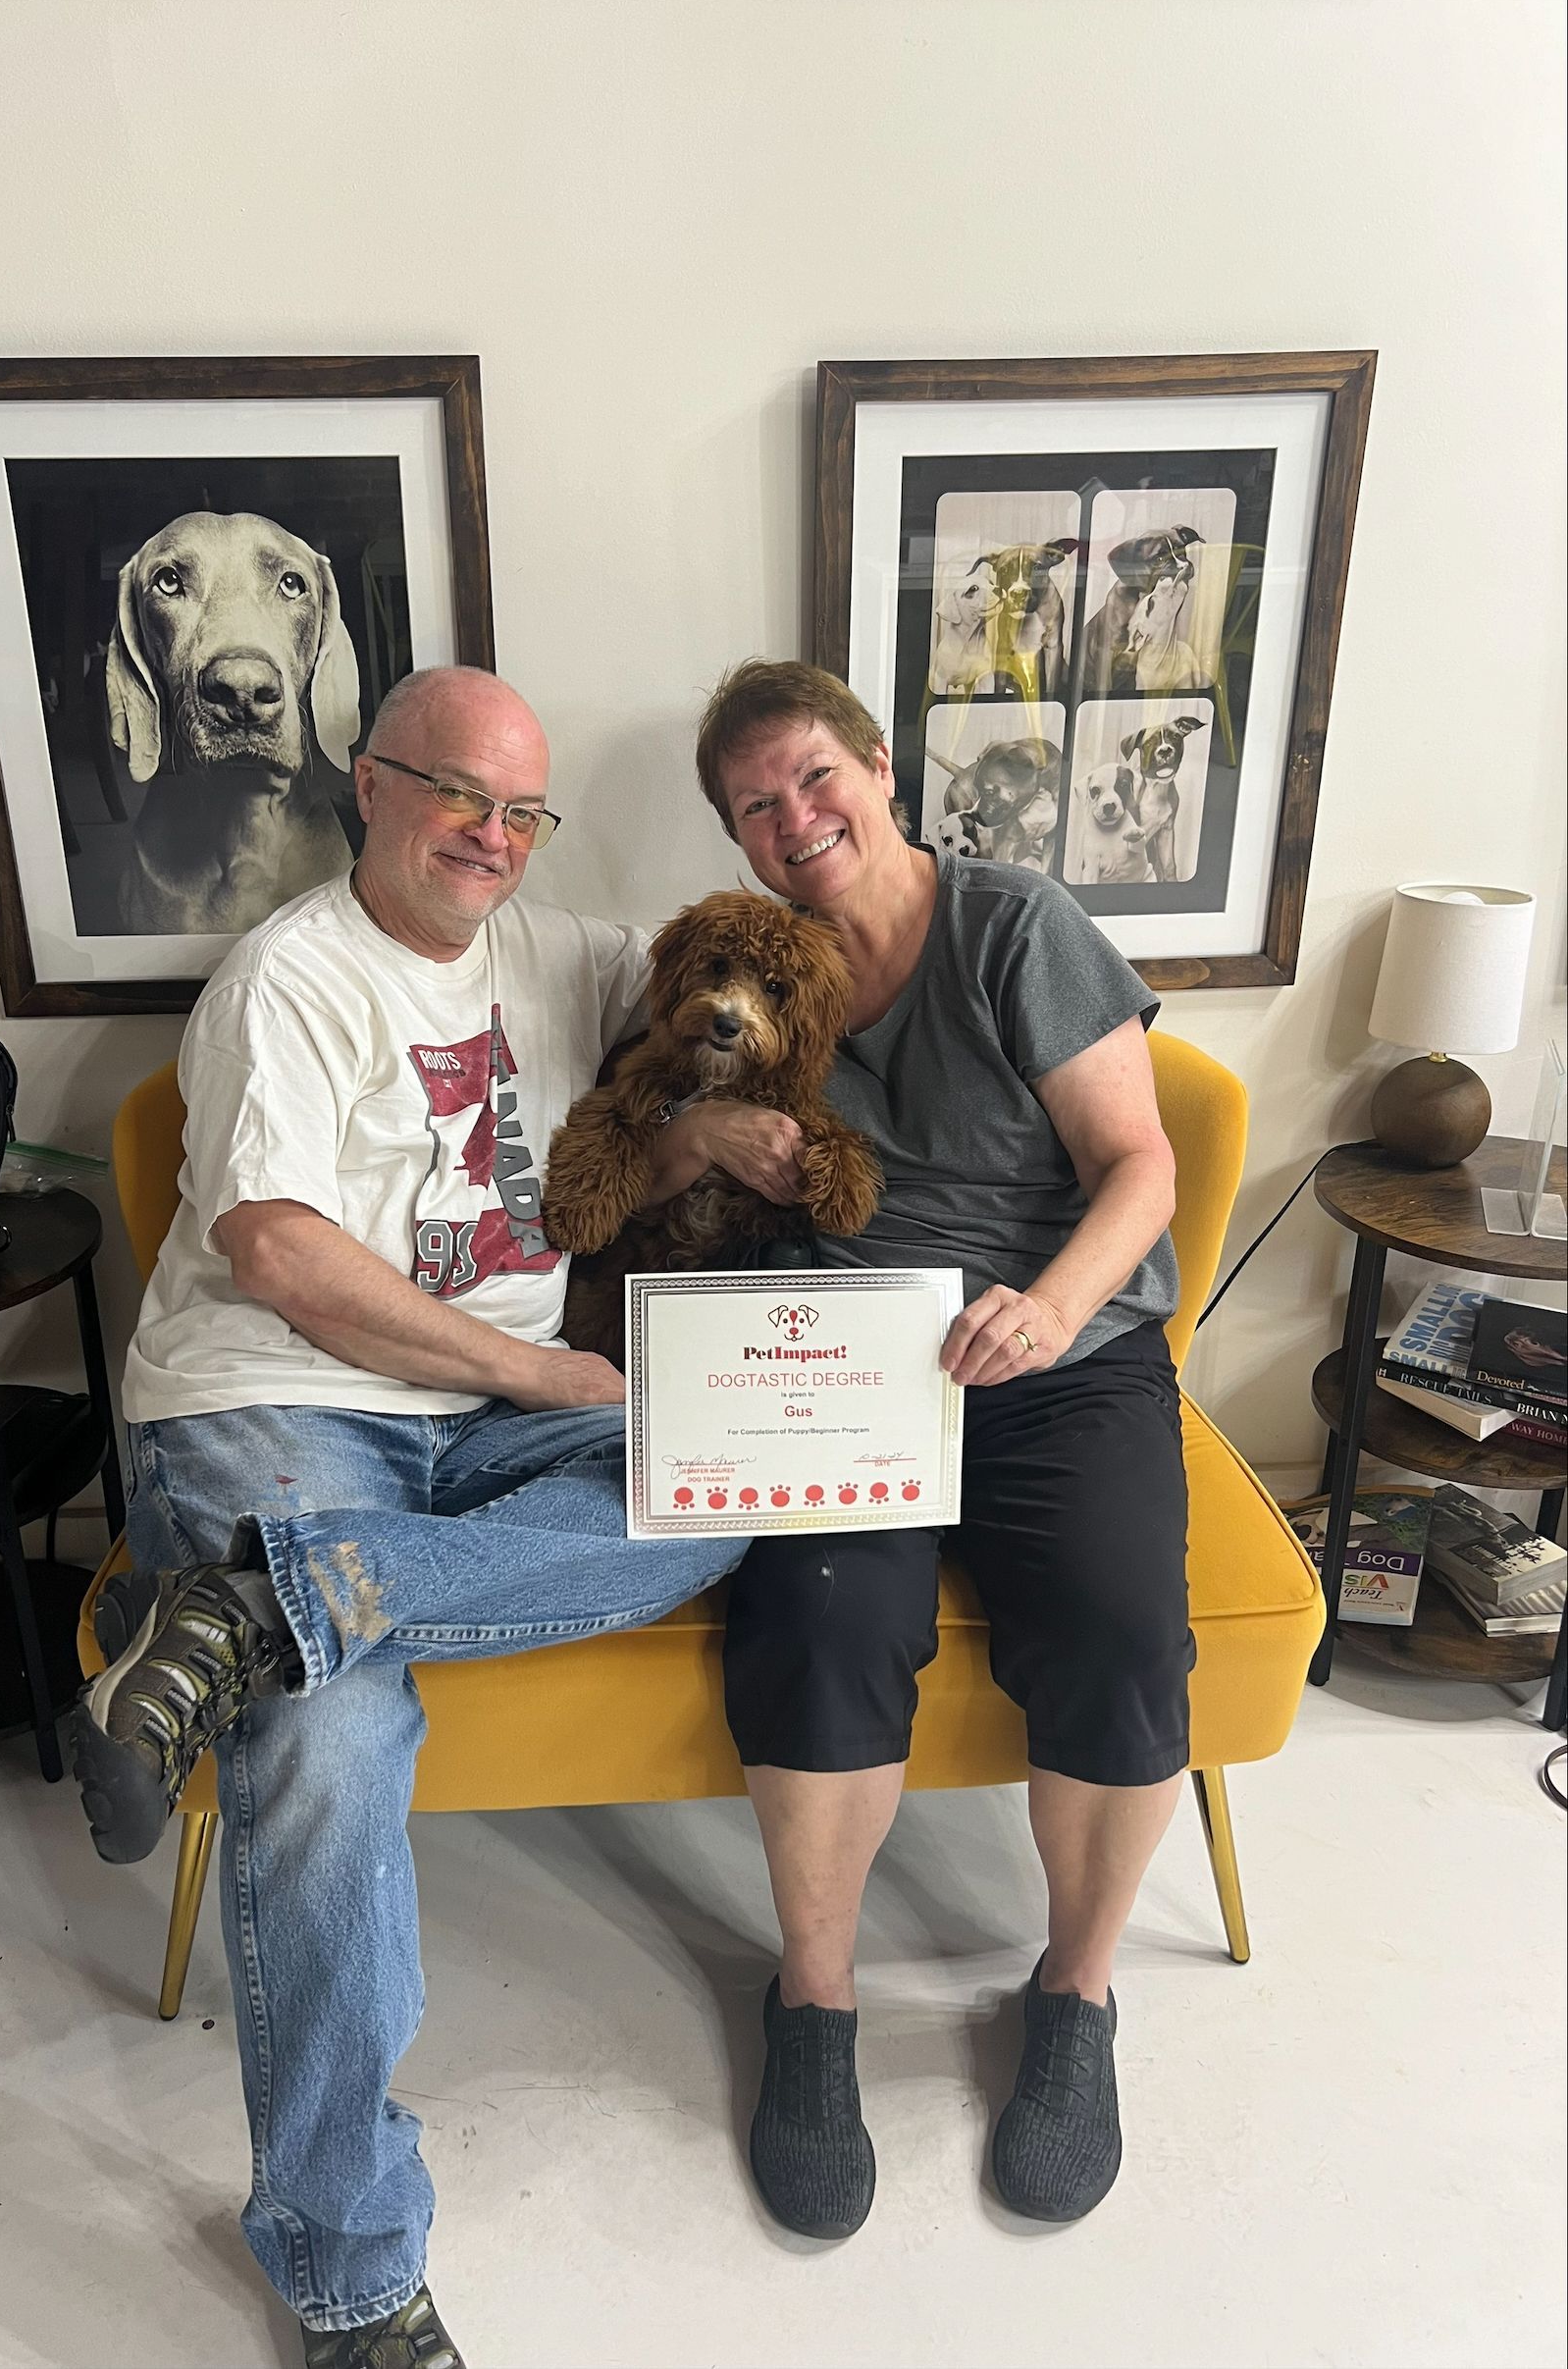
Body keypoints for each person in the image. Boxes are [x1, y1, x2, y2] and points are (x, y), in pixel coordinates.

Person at [74, 667, 749, 2369]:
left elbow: (713, 998)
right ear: (365, 785)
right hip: (274, 1403)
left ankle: (255, 1606)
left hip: (473, 1441)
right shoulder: (288, 979)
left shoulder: (568, 954)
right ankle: (352, 2272)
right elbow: (280, 1255)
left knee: (719, 1496)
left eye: (524, 812)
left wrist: (727, 1127)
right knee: (325, 1742)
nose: (492, 838)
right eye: (457, 795)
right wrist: (535, 1381)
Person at [678, 658, 1191, 2239]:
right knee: (819, 1619)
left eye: (814, 777)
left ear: (882, 770)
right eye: (756, 805)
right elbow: (643, 1121)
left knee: (1115, 1628)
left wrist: (1042, 1312)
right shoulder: (756, 972)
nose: (794, 817)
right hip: (846, 1361)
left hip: (1061, 1354)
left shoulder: (1016, 924)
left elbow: (1143, 1166)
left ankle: (1079, 1993)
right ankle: (814, 2006)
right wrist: (701, 1131)